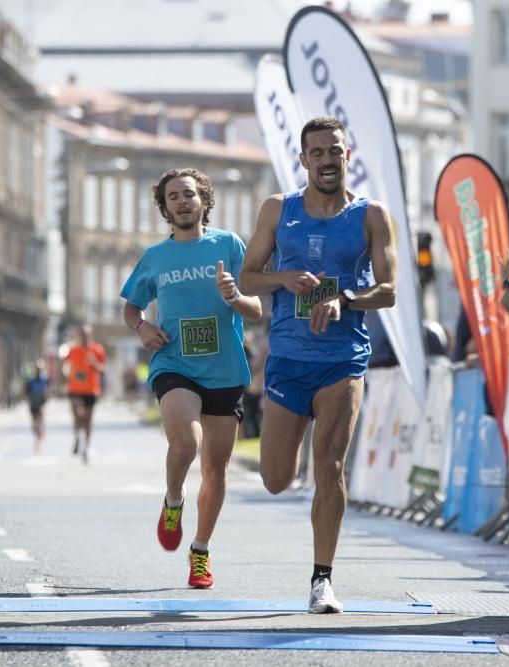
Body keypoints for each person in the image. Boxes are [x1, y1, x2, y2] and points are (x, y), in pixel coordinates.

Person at [239, 116, 397, 613]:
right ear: (304, 159)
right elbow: (248, 277)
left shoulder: (371, 215)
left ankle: (322, 581)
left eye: (336, 151)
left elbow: (389, 291)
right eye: (318, 153)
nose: (328, 160)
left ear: (347, 156)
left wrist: (346, 298)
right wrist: (283, 278)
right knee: (276, 479)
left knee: (329, 467)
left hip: (343, 359)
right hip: (287, 359)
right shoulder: (277, 210)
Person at [121, 167, 262, 589]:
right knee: (186, 442)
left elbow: (256, 310)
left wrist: (234, 295)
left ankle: (200, 551)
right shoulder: (155, 257)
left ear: (203, 200)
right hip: (174, 363)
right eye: (173, 197)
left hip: (224, 370)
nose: (182, 202)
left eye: (188, 194)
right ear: (164, 207)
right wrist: (143, 328)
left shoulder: (229, 245)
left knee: (216, 472)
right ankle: (173, 500)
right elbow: (132, 307)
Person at [63, 324, 106, 464]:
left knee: (87, 420)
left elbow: (103, 368)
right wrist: (64, 375)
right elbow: (65, 366)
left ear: (90, 335)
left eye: (87, 334)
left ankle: (86, 447)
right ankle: (76, 437)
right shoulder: (72, 350)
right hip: (74, 389)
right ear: (78, 335)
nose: (85, 337)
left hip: (91, 390)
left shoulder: (97, 349)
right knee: (79, 415)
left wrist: (95, 364)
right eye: (82, 334)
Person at [25, 360, 50, 448]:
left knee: (40, 418)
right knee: (34, 422)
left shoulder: (45, 379)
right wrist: (29, 400)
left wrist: (46, 396)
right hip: (33, 403)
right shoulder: (30, 381)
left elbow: (48, 390)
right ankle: (37, 434)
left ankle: (40, 434)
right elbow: (27, 392)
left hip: (41, 402)